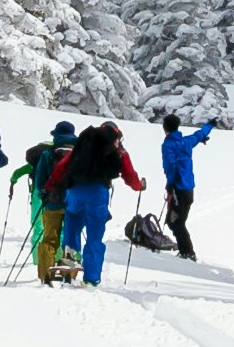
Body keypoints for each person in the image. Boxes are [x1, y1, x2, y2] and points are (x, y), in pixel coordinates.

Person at [17, 118, 149, 286]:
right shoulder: (118, 150)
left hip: (75, 193)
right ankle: (91, 279)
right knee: (94, 236)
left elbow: (62, 167)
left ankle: (69, 267)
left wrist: (50, 186)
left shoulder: (84, 143)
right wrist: (139, 186)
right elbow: (129, 175)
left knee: (72, 230)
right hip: (97, 195)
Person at [156, 109, 212, 263]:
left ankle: (187, 252)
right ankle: (185, 251)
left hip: (178, 188)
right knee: (176, 220)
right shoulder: (185, 142)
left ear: (165, 128)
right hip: (189, 188)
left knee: (175, 222)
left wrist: (170, 183)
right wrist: (210, 125)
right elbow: (198, 135)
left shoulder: (168, 145)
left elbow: (170, 165)